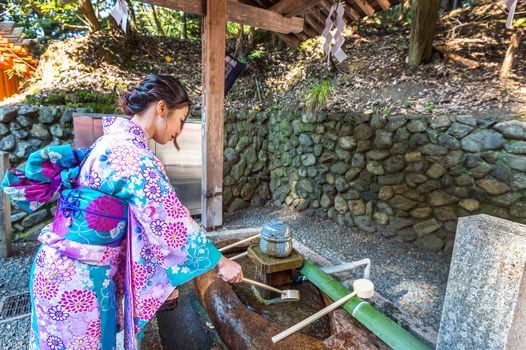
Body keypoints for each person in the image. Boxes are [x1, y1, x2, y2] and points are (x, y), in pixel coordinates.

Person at [1, 74, 243, 349]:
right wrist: (221, 262)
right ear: (162, 108)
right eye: (182, 118)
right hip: (78, 277)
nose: (180, 128)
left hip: (63, 266)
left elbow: (145, 223)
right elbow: (171, 223)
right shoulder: (132, 156)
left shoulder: (111, 143)